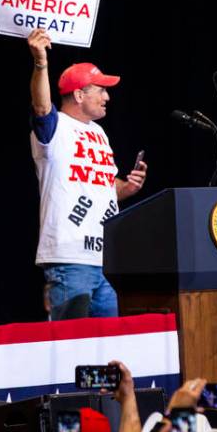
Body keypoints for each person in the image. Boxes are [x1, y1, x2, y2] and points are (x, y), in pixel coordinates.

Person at [27, 29, 147, 319]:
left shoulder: (99, 133)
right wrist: (41, 62)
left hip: (105, 258)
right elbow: (42, 106)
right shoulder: (56, 127)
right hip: (69, 257)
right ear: (79, 95)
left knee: (107, 348)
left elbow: (103, 186)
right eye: (101, 90)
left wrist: (125, 188)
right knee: (73, 347)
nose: (107, 97)